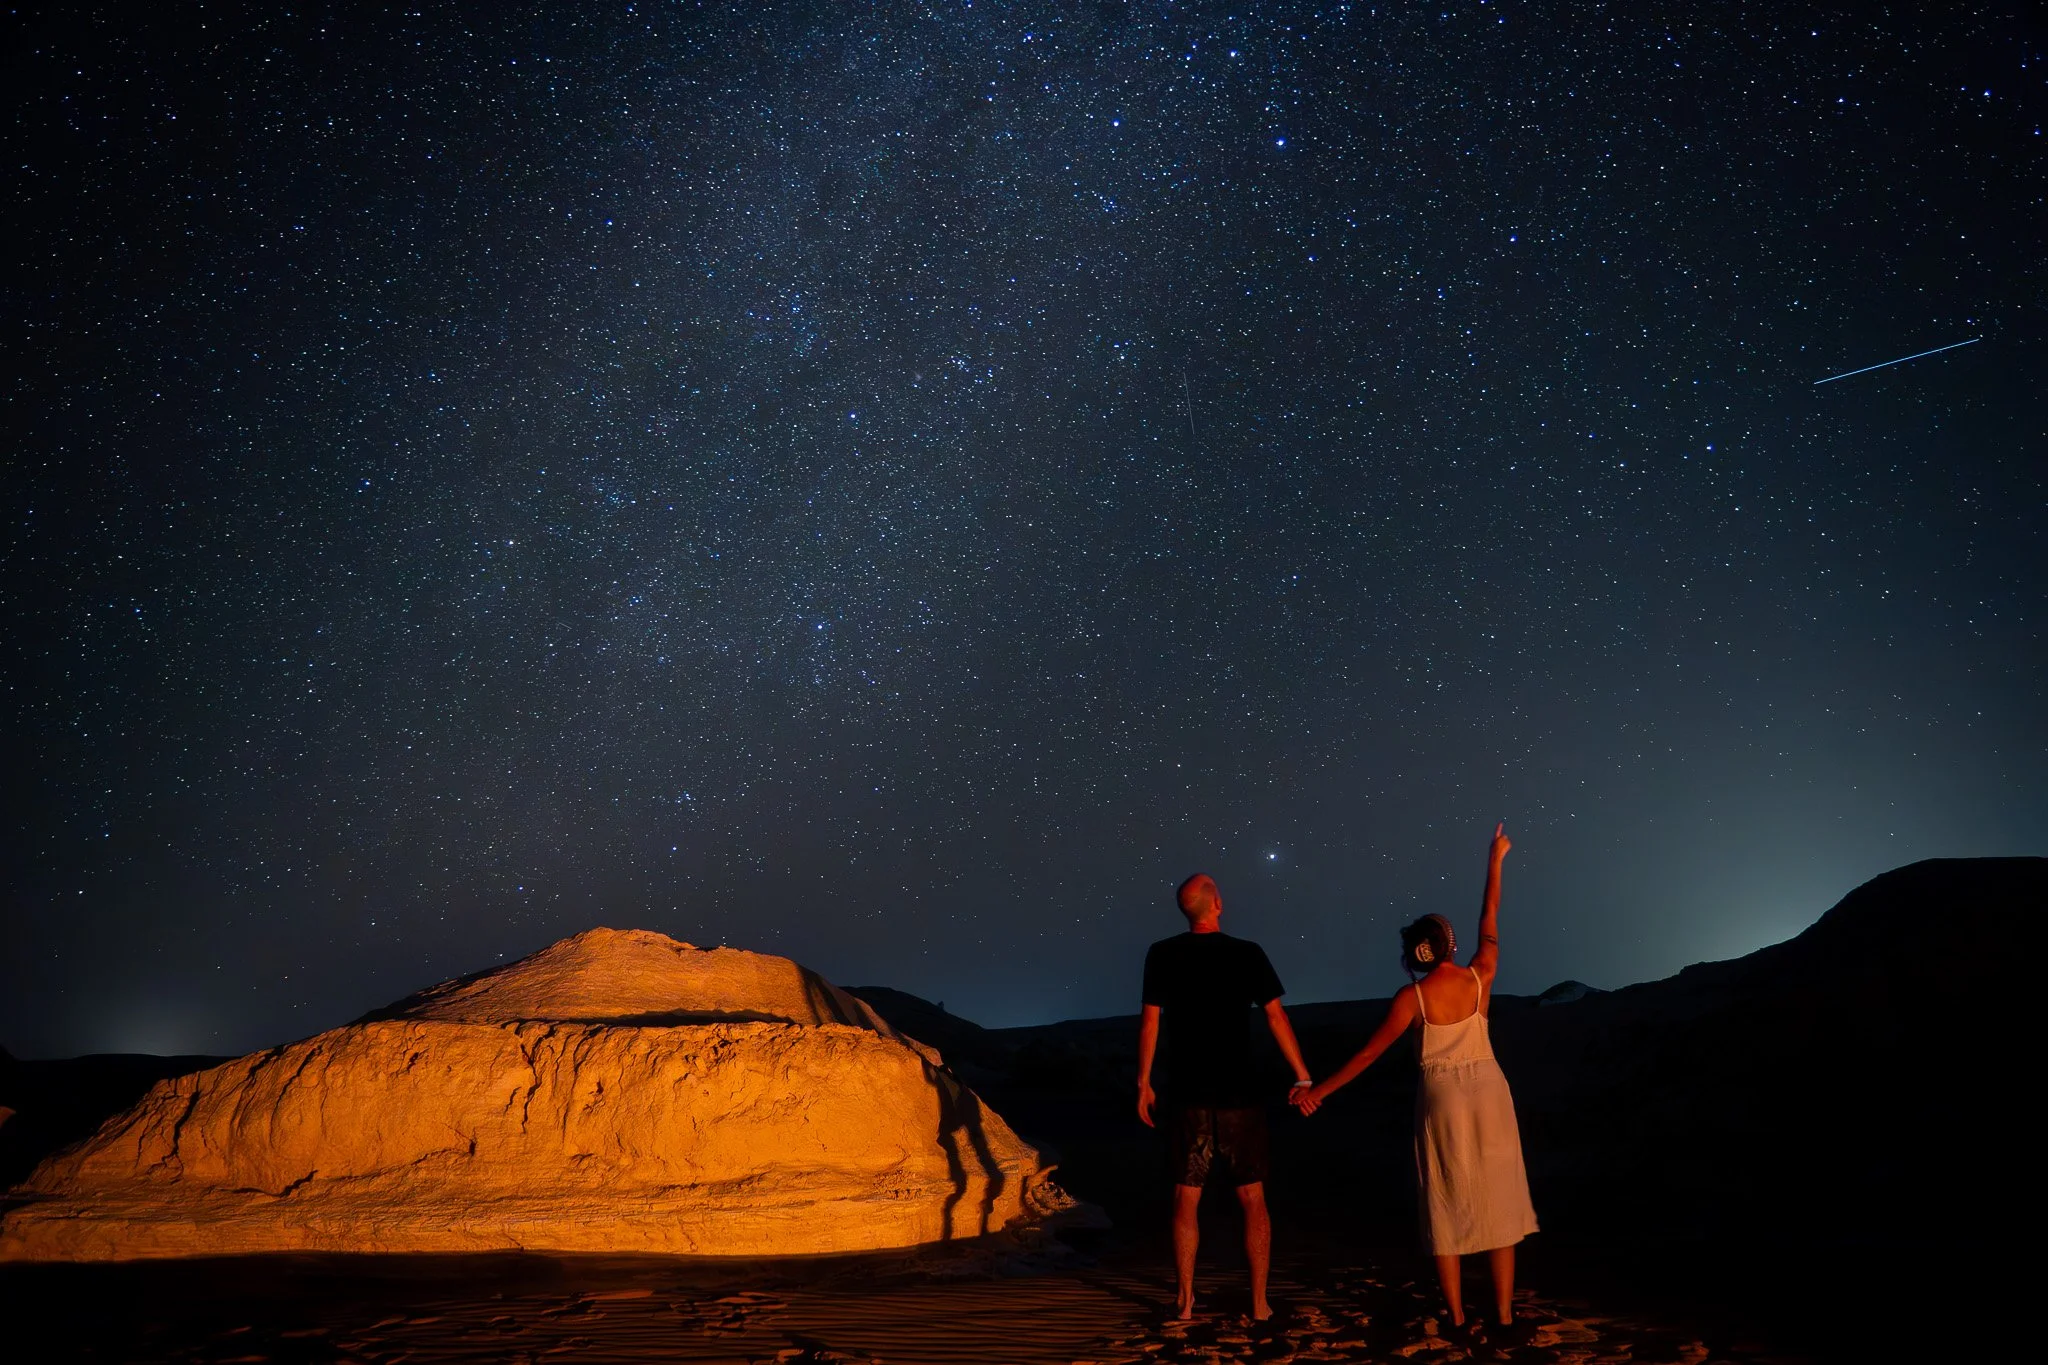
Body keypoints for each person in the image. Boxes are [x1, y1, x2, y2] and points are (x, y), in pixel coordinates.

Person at [1290, 823, 1538, 1331]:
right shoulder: (1480, 974)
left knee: (1446, 1199)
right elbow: (1489, 917)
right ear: (1447, 945)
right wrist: (1496, 859)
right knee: (1499, 1201)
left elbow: (1366, 1056)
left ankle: (1456, 1315)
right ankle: (1506, 1314)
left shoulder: (1412, 999)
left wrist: (1319, 1092)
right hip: (1489, 1090)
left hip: (1442, 1095)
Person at [1137, 873, 1313, 1321]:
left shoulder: (1162, 954)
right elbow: (1275, 1016)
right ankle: (1258, 1303)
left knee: (1185, 1197)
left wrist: (1143, 1081)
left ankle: (1185, 1301)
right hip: (1239, 1094)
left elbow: (1150, 1023)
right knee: (1253, 1197)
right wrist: (1302, 1074)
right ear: (1216, 904)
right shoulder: (1246, 953)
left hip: (1187, 1093)